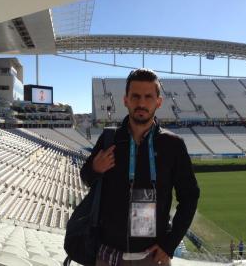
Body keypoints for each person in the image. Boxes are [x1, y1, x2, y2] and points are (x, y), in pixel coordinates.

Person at [80, 68, 200, 266]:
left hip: (152, 258)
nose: (141, 103)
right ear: (125, 100)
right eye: (135, 96)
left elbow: (190, 197)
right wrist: (94, 168)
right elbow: (86, 178)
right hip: (107, 256)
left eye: (148, 97)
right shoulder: (110, 139)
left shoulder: (173, 145)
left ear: (158, 102)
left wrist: (170, 244)